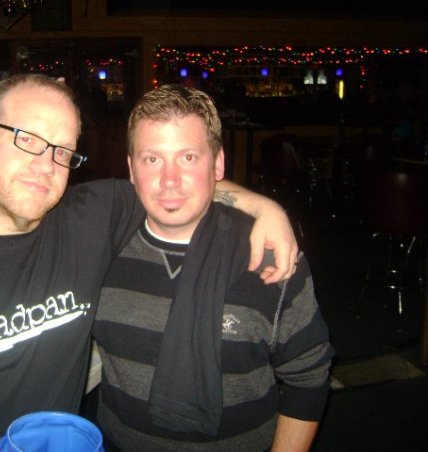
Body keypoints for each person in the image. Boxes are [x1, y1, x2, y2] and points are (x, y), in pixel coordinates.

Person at [0, 74, 297, 452]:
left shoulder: (90, 217)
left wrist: (264, 208)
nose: (46, 164)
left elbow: (175, 183)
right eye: (26, 139)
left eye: (63, 151)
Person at [93, 84, 334, 451]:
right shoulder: (100, 249)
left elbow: (309, 378)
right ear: (131, 168)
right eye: (152, 159)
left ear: (217, 164)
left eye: (188, 157)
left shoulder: (270, 256)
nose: (169, 180)